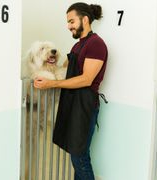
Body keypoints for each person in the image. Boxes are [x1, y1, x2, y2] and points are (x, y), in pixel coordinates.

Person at [33, 2, 108, 180]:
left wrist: (50, 85)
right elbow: (63, 70)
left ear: (85, 19)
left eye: (72, 21)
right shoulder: (78, 46)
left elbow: (86, 79)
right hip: (74, 105)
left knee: (80, 157)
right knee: (76, 155)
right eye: (68, 22)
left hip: (85, 106)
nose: (69, 26)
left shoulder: (96, 44)